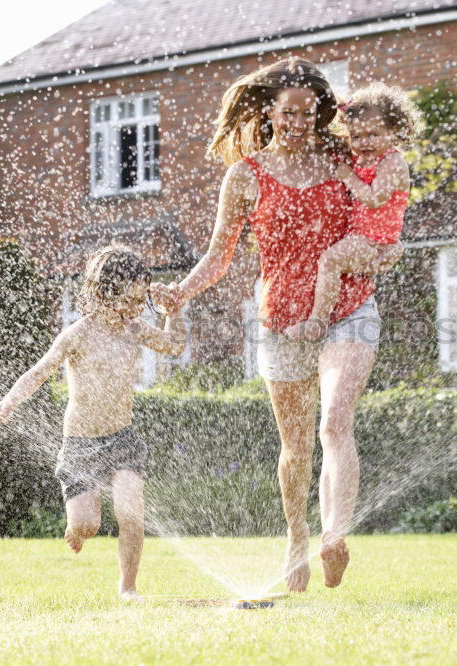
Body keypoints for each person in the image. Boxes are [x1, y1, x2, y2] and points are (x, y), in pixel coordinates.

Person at [153, 58, 402, 593]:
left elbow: (388, 195)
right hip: (282, 320)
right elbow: (220, 257)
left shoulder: (341, 155)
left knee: (335, 421)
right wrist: (181, 290)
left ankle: (334, 535)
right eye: (287, 113)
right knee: (296, 449)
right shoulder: (245, 175)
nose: (297, 123)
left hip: (348, 305)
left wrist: (387, 247)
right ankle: (297, 534)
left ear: (319, 113)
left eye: (307, 113)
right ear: (270, 111)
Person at [0, 245, 185, 602]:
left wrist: (174, 313)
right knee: (88, 524)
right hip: (81, 446)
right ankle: (77, 529)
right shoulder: (76, 335)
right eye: (126, 301)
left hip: (123, 440)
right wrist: (9, 401)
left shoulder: (134, 329)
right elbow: (39, 373)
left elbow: (174, 346)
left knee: (132, 512)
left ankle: (128, 587)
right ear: (100, 294)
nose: (132, 310)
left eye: (139, 301)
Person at [285, 82, 424, 342]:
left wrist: (348, 176)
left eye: (373, 134)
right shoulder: (366, 157)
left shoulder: (392, 162)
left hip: (372, 240)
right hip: (367, 238)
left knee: (329, 261)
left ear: (393, 130)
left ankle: (317, 322)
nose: (364, 142)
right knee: (334, 264)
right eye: (357, 137)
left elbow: (374, 199)